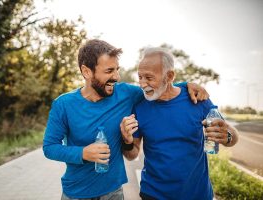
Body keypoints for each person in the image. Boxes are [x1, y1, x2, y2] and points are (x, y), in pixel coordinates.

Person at [43, 39, 209, 200]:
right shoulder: (63, 104)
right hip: (76, 192)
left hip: (113, 192)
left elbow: (160, 86)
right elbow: (50, 147)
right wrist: (82, 153)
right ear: (87, 71)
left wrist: (186, 85)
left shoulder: (126, 94)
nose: (116, 76)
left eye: (117, 69)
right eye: (109, 71)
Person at [120, 47, 239, 200]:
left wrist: (228, 136)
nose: (142, 84)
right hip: (153, 194)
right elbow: (132, 154)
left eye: (148, 78)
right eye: (140, 77)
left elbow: (232, 137)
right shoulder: (139, 107)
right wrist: (127, 142)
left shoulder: (197, 99)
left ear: (169, 76)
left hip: (198, 194)